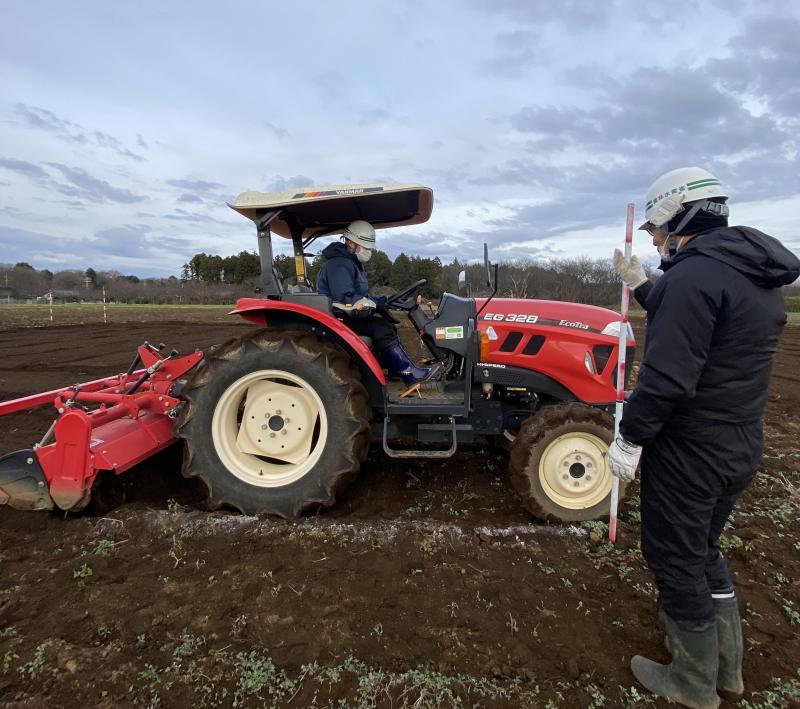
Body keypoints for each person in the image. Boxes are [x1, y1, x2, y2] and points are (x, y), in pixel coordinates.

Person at [607, 167, 800, 709]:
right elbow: (707, 324)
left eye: (656, 231)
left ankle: (693, 681)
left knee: (674, 556)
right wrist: (644, 285)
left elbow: (668, 378)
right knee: (704, 549)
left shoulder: (695, 277)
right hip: (739, 441)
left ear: (680, 216)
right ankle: (728, 669)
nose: (656, 241)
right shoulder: (751, 273)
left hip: (691, 449)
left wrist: (630, 440)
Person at [317, 220, 438, 385]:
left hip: (347, 313)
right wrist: (374, 304)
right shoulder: (339, 265)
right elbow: (345, 297)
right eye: (365, 248)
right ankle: (409, 373)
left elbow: (360, 295)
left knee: (387, 324)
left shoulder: (350, 263)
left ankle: (396, 370)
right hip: (339, 317)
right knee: (381, 328)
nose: (368, 252)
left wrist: (384, 300)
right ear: (351, 243)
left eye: (369, 248)